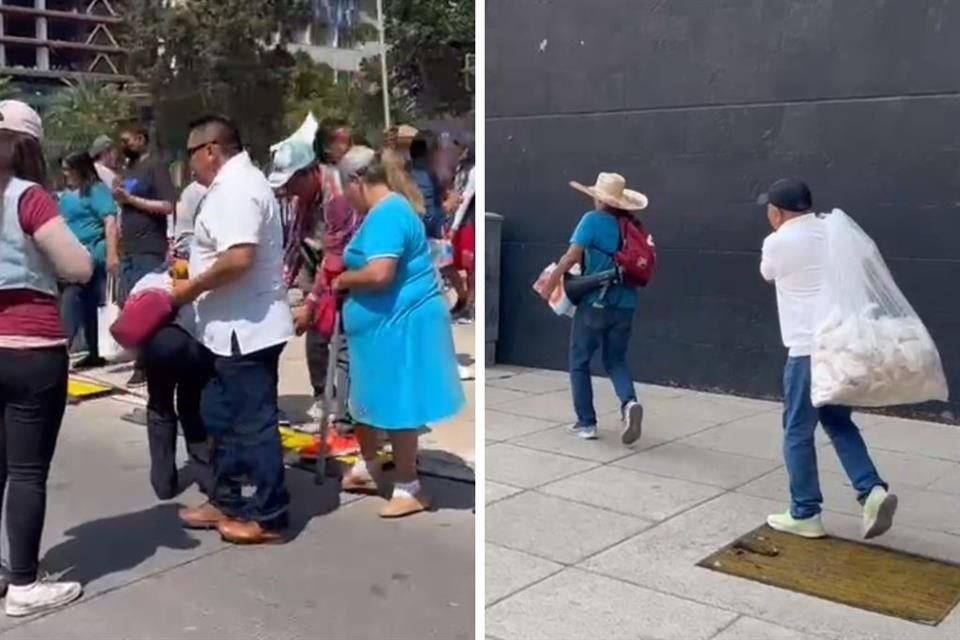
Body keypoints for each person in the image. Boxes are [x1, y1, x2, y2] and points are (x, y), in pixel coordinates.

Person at [172, 115, 294, 544]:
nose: (189, 166)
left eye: (190, 155)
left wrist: (190, 288)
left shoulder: (238, 189)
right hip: (224, 330)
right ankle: (227, 498)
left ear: (210, 150)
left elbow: (239, 258)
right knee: (219, 418)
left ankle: (268, 515)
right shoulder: (229, 188)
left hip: (248, 329)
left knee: (253, 425)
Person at [758, 178, 897, 540]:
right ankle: (871, 490)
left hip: (806, 352)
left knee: (797, 432)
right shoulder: (833, 231)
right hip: (841, 348)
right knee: (838, 423)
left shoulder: (777, 242)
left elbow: (768, 275)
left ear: (776, 212)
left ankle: (805, 512)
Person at [335, 146, 464, 518]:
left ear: (357, 181)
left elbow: (380, 274)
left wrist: (344, 279)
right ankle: (369, 464)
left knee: (399, 402)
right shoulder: (383, 212)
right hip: (380, 328)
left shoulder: (388, 214)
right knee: (368, 398)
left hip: (401, 324)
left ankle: (409, 486)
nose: (345, 197)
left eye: (345, 188)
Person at [0, 100, 91, 616]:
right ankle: (24, 584)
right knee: (27, 472)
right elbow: (77, 265)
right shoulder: (28, 197)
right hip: (32, 351)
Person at [538, 172, 647, 444]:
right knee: (616, 360)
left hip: (595, 302)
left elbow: (571, 257)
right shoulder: (631, 226)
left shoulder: (591, 221)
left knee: (579, 361)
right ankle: (629, 402)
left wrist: (550, 284)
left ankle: (586, 423)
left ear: (600, 200)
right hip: (626, 303)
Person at [134, 268, 214, 502]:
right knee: (192, 408)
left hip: (160, 348)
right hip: (196, 346)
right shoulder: (206, 279)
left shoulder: (149, 279)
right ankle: (206, 476)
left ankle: (163, 481)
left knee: (160, 408)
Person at [115, 124, 177, 387]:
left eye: (127, 140)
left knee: (146, 308)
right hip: (129, 248)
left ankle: (147, 364)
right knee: (127, 304)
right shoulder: (129, 170)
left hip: (149, 248)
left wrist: (132, 201)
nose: (124, 146)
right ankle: (142, 357)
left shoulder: (155, 167)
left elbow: (167, 205)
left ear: (140, 140)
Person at [58, 151, 120, 369]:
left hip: (93, 252)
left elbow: (110, 221)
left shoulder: (96, 191)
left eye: (68, 169)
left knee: (72, 298)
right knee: (87, 305)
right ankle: (93, 352)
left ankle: (61, 348)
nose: (65, 173)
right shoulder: (67, 195)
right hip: (71, 253)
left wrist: (112, 253)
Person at [450, 137, 476, 323]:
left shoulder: (475, 171)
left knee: (471, 268)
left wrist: (453, 226)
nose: (458, 152)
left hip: (468, 224)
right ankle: (463, 299)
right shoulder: (459, 170)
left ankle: (469, 306)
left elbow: (465, 198)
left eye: (462, 148)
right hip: (458, 222)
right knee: (453, 263)